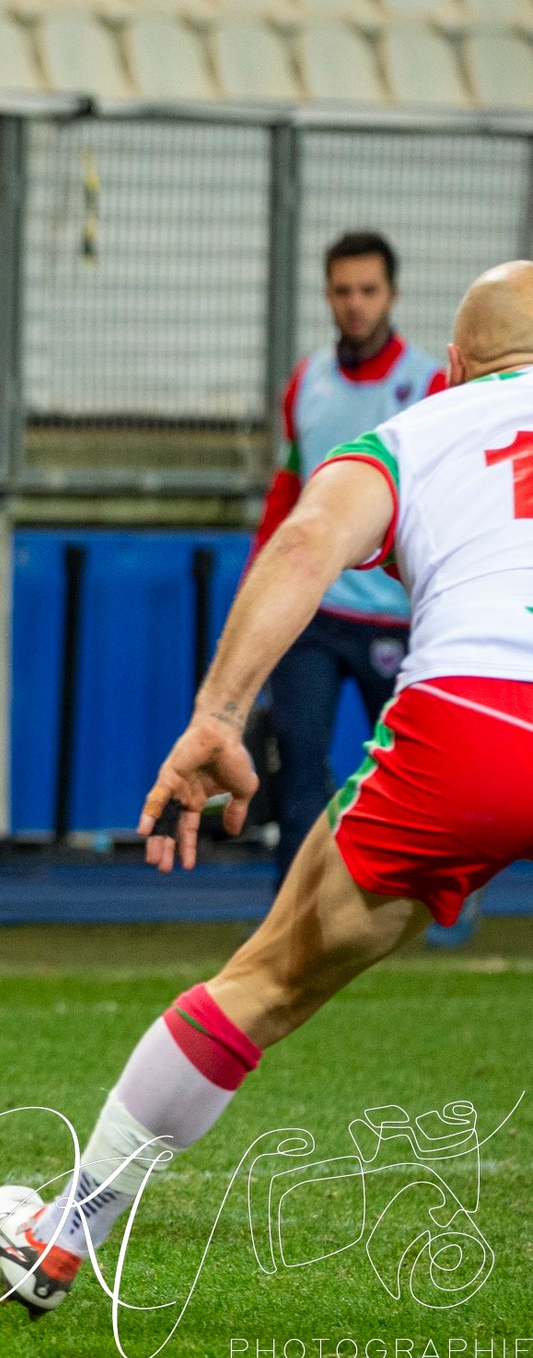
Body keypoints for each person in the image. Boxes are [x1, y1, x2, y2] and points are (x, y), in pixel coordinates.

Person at [0, 260, 533, 1318]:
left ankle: (61, 1236)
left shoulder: (422, 427)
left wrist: (217, 717)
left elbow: (304, 542)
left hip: (472, 726)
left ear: (451, 367)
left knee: (268, 979)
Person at [254, 231, 442, 885]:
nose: (355, 304)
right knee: (300, 764)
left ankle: (424, 896)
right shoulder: (307, 381)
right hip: (315, 613)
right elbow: (287, 492)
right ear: (328, 295)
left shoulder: (431, 383)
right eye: (342, 291)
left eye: (368, 290)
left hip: (399, 622)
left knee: (415, 774)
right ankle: (292, 913)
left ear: (391, 294)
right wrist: (260, 594)